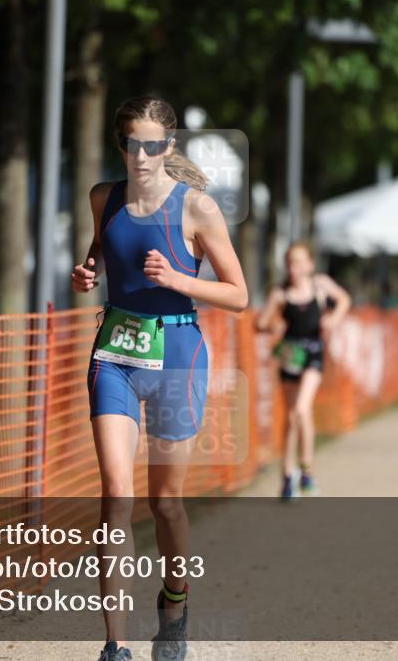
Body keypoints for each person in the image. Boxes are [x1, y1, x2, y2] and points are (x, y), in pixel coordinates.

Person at [71, 95, 248, 661]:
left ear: (168, 147)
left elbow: (239, 295)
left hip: (178, 353)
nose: (141, 155)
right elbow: (103, 251)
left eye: (152, 145)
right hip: (117, 353)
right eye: (131, 144)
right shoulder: (104, 198)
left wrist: (179, 279)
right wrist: (88, 270)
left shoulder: (197, 209)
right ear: (119, 145)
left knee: (164, 502)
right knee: (116, 495)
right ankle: (114, 646)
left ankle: (174, 607)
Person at [255, 242, 351, 500]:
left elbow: (344, 299)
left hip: (314, 355)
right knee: (291, 416)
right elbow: (260, 322)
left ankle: (306, 470)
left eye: (298, 262)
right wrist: (272, 326)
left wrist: (333, 318)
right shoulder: (280, 293)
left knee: (301, 409)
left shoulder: (320, 285)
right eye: (289, 263)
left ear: (310, 264)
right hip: (289, 355)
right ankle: (288, 475)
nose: (293, 268)